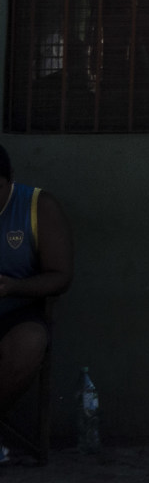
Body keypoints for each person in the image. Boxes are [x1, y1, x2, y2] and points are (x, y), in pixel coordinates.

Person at [0, 147, 70, 445]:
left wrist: (13, 287)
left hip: (17, 313)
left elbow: (61, 276)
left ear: (11, 179)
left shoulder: (38, 206)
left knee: (29, 343)